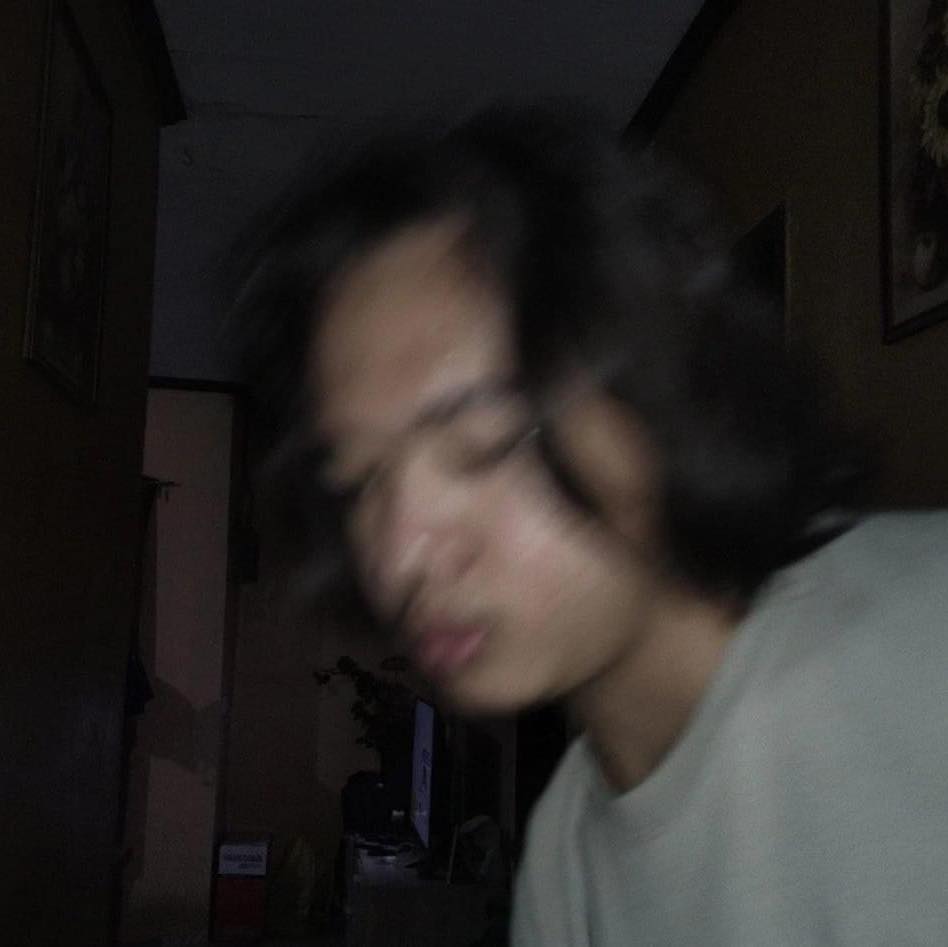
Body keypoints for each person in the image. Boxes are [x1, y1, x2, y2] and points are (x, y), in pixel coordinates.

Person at [231, 106, 948, 945]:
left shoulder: (923, 643)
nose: (399, 557)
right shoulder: (562, 867)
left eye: (485, 442)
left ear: (658, 393)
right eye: (361, 482)